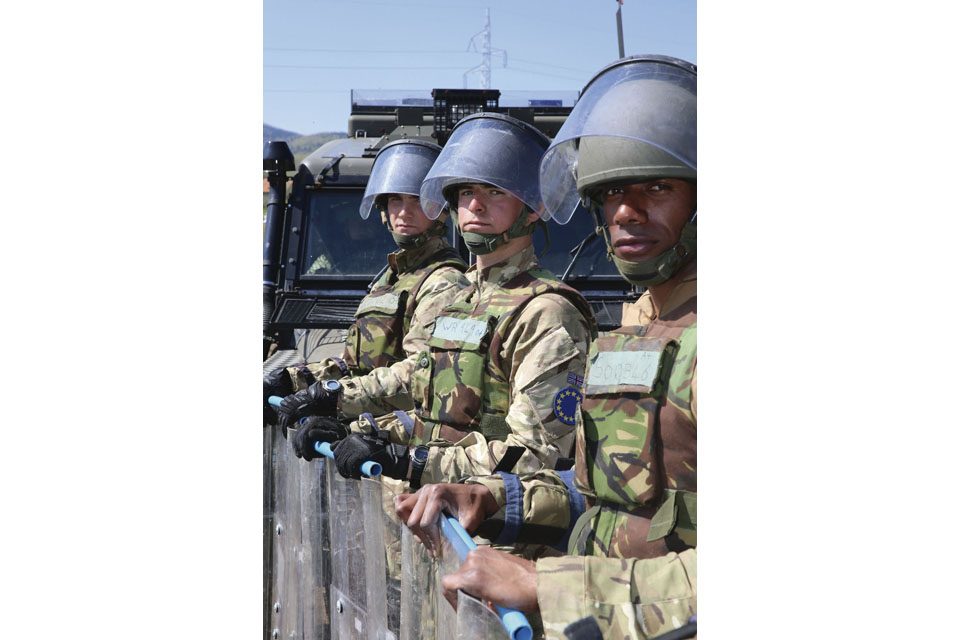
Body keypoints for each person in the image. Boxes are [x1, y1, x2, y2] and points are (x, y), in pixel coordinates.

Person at [394, 55, 697, 639]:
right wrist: (497, 500)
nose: (627, 212)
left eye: (656, 187)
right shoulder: (638, 327)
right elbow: (611, 499)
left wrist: (547, 587)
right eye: (610, 193)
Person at [330, 112, 598, 496]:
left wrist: (409, 461)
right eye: (466, 192)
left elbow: (535, 455)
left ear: (534, 207)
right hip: (425, 512)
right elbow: (425, 405)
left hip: (490, 535)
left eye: (495, 192)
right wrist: (354, 424)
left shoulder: (547, 312)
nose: (475, 205)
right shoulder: (459, 296)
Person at [263, 139, 470, 457]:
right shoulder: (394, 276)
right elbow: (357, 366)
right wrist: (295, 381)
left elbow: (420, 378)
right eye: (394, 199)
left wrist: (335, 401)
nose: (403, 212)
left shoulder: (443, 283)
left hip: (403, 450)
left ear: (440, 209)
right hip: (368, 443)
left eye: (416, 200)